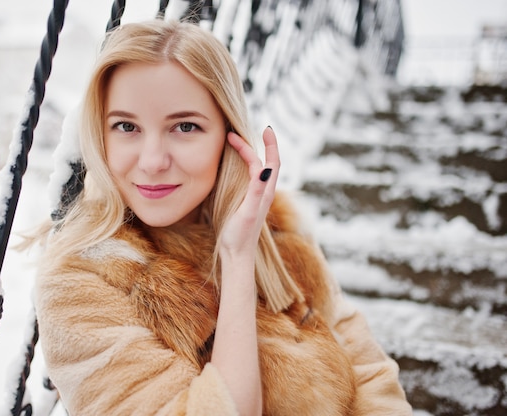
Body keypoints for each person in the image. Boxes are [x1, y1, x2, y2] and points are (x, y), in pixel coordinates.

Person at [32, 19, 412, 415]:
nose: (152, 162)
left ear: (227, 136)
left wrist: (247, 245)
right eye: (126, 126)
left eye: (184, 126)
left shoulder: (274, 228)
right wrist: (237, 262)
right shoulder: (78, 283)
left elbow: (371, 374)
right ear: (100, 135)